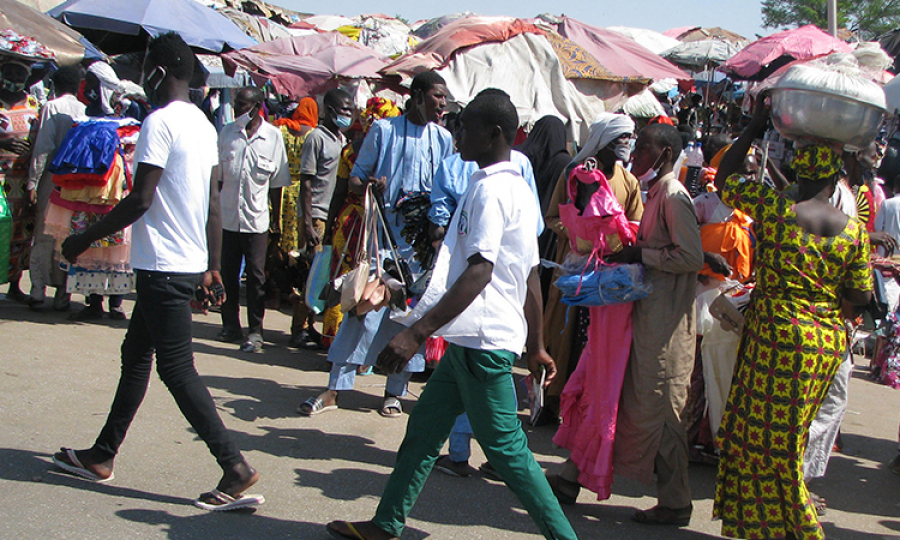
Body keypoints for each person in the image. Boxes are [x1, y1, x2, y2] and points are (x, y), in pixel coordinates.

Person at [325, 91, 578, 540]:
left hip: (483, 344)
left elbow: (481, 271)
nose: (457, 134)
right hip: (471, 340)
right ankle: (386, 525)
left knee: (507, 453)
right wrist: (536, 344)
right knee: (423, 432)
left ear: (494, 134)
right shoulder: (517, 185)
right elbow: (530, 273)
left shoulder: (491, 189)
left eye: (466, 128)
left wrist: (416, 334)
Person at [51, 32, 262, 512]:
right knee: (136, 355)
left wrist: (84, 238)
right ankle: (102, 455)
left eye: (146, 66)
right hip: (183, 263)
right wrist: (212, 266)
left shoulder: (159, 122)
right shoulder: (205, 126)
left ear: (157, 73)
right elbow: (212, 204)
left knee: (176, 369)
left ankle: (234, 466)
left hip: (162, 267)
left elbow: (141, 198)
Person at [712, 99, 872, 540]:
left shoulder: (774, 207)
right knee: (789, 439)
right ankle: (756, 527)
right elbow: (859, 293)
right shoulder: (854, 230)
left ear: (799, 171)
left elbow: (724, 179)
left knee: (759, 440)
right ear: (835, 176)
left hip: (777, 336)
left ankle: (796, 531)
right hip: (822, 346)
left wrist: (756, 124)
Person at [297, 71, 453, 418]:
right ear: (417, 95)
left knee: (406, 316)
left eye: (444, 97)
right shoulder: (383, 131)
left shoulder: (443, 139)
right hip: (380, 239)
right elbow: (354, 178)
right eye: (437, 96)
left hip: (419, 248)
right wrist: (369, 184)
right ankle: (336, 388)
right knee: (361, 310)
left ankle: (393, 393)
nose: (442, 103)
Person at [607, 123, 703, 525]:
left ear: (664, 153)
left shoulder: (674, 196)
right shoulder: (657, 192)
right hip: (652, 319)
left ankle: (676, 502)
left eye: (644, 147)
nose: (635, 154)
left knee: (664, 413)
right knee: (644, 406)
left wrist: (641, 256)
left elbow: (690, 258)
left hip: (667, 326)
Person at [543, 113, 644, 421]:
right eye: (620, 138)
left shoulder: (629, 182)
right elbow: (553, 218)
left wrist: (614, 243)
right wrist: (580, 235)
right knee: (564, 334)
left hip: (610, 272)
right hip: (575, 268)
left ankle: (584, 407)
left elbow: (636, 223)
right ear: (604, 142)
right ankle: (549, 400)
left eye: (629, 138)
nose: (626, 144)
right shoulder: (573, 174)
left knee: (596, 341)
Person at [320, 97, 401, 349]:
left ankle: (335, 343)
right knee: (366, 283)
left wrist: (330, 225)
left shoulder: (351, 150)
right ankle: (354, 349)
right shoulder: (388, 153)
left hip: (349, 222)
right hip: (368, 224)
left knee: (346, 281)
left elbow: (340, 192)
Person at [217, 86, 290, 353]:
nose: (237, 111)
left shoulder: (272, 137)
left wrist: (275, 221)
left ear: (258, 106)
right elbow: (219, 180)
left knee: (257, 276)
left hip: (257, 220)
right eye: (236, 105)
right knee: (228, 274)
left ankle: (256, 331)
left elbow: (277, 184)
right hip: (227, 218)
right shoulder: (227, 133)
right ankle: (230, 325)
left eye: (243, 106)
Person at [288, 89, 352, 349]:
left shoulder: (341, 139)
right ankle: (298, 328)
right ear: (330, 110)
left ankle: (318, 327)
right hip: (316, 215)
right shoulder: (316, 138)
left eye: (351, 111)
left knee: (327, 274)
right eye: (344, 110)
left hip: (334, 214)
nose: (348, 115)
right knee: (311, 273)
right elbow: (306, 181)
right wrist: (306, 222)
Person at [26, 66, 84, 311]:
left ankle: (38, 290)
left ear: (55, 85)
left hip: (52, 178)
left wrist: (32, 182)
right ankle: (63, 294)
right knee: (66, 236)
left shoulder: (52, 107)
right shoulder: (84, 110)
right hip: (76, 183)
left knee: (43, 235)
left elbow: (43, 149)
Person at [0, 57, 40, 302]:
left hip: (22, 181)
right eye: (9, 72)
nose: (14, 78)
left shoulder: (35, 104)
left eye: (20, 74)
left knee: (20, 234)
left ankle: (14, 286)